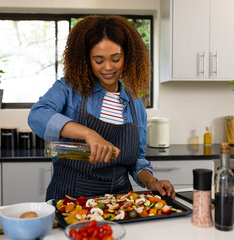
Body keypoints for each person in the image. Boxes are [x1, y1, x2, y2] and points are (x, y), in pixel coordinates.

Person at [28, 15, 175, 201]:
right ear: (86, 59)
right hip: (70, 199)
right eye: (98, 60)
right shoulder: (69, 88)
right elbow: (38, 115)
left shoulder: (135, 102)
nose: (107, 67)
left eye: (116, 59)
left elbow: (136, 159)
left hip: (119, 202)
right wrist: (89, 134)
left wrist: (150, 181)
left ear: (127, 57)